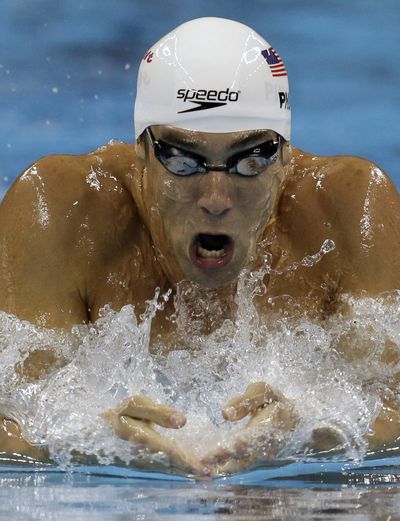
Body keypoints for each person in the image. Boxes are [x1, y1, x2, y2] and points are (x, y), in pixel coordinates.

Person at [0, 17, 399, 477]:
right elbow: (11, 418)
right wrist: (83, 439)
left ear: (286, 156)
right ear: (143, 153)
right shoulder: (63, 211)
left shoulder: (348, 210)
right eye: (182, 160)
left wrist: (318, 433)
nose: (215, 199)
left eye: (250, 160)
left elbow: (392, 408)